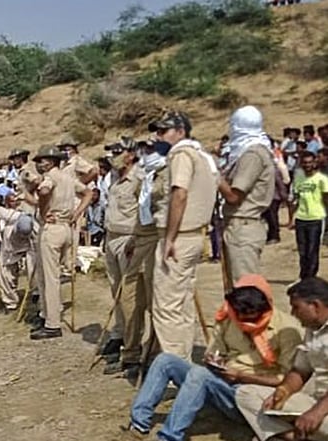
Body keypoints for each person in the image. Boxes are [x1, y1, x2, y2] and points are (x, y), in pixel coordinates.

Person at [124, 274, 302, 441]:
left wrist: (241, 376)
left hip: (252, 396)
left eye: (253, 320)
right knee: (165, 361)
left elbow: (287, 380)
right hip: (223, 384)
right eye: (242, 320)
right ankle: (139, 423)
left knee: (200, 375)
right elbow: (214, 353)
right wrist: (216, 362)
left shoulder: (286, 330)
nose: (247, 324)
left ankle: (170, 437)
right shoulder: (228, 318)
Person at [148, 112, 219, 360]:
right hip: (194, 234)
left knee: (167, 305)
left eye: (163, 130)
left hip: (180, 237)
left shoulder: (181, 154)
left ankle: (173, 368)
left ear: (180, 131)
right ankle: (183, 360)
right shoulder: (202, 156)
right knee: (182, 302)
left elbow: (180, 193)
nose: (159, 136)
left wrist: (170, 238)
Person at [235, 277, 328, 441]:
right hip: (317, 401)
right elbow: (300, 370)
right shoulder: (312, 330)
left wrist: (317, 412)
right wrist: (284, 391)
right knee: (246, 394)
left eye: (296, 307)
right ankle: (291, 436)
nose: (293, 313)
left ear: (315, 305)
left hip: (322, 408)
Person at [30, 145, 93, 340]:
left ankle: (52, 322)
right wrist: (77, 212)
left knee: (49, 278)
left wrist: (41, 211)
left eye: (42, 160)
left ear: (51, 161)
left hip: (52, 227)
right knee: (52, 274)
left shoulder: (50, 177)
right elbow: (89, 193)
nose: (39, 164)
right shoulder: (68, 178)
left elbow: (44, 191)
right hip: (66, 226)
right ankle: (47, 314)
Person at [217, 106, 275, 283]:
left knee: (245, 289)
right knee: (235, 290)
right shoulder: (246, 152)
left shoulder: (253, 154)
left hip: (243, 226)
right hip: (237, 226)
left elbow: (234, 196)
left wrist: (215, 176)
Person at [100, 143, 143, 373]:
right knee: (116, 292)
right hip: (112, 237)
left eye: (117, 153)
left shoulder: (138, 178)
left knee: (130, 296)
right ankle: (121, 335)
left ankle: (133, 347)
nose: (112, 158)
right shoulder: (115, 178)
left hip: (128, 240)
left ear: (131, 154)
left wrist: (135, 240)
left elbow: (143, 213)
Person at [0, 194, 33, 314]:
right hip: (9, 248)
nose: (15, 203)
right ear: (6, 202)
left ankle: (35, 296)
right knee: (6, 275)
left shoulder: (26, 213)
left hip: (27, 246)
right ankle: (10, 302)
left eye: (16, 201)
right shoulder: (3, 212)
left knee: (33, 272)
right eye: (12, 201)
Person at [291, 150, 328, 279]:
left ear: (314, 163)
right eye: (305, 163)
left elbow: (326, 199)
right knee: (302, 251)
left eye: (310, 162)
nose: (307, 165)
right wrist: (291, 218)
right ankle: (303, 276)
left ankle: (311, 277)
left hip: (316, 218)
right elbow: (295, 199)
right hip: (301, 218)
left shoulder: (321, 179)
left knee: (312, 250)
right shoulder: (299, 178)